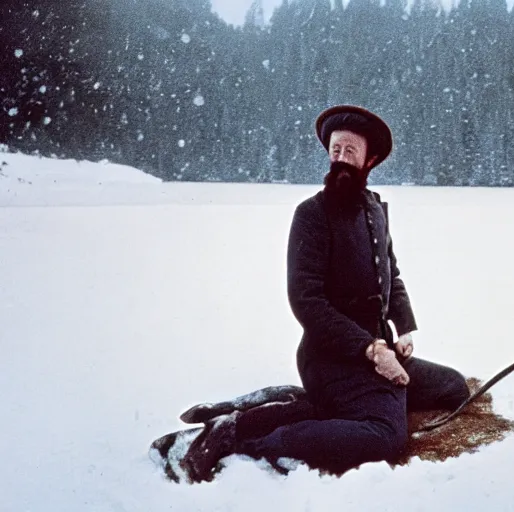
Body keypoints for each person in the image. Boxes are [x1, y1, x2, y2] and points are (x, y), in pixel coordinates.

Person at [181, 105, 470, 482]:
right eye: (336, 150)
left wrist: (404, 328)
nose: (341, 159)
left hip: (378, 352)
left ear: (371, 160)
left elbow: (392, 275)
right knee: (384, 437)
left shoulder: (375, 210)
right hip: (330, 358)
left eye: (351, 152)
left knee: (454, 387)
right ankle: (243, 439)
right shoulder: (311, 214)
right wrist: (371, 349)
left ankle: (303, 407)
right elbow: (306, 300)